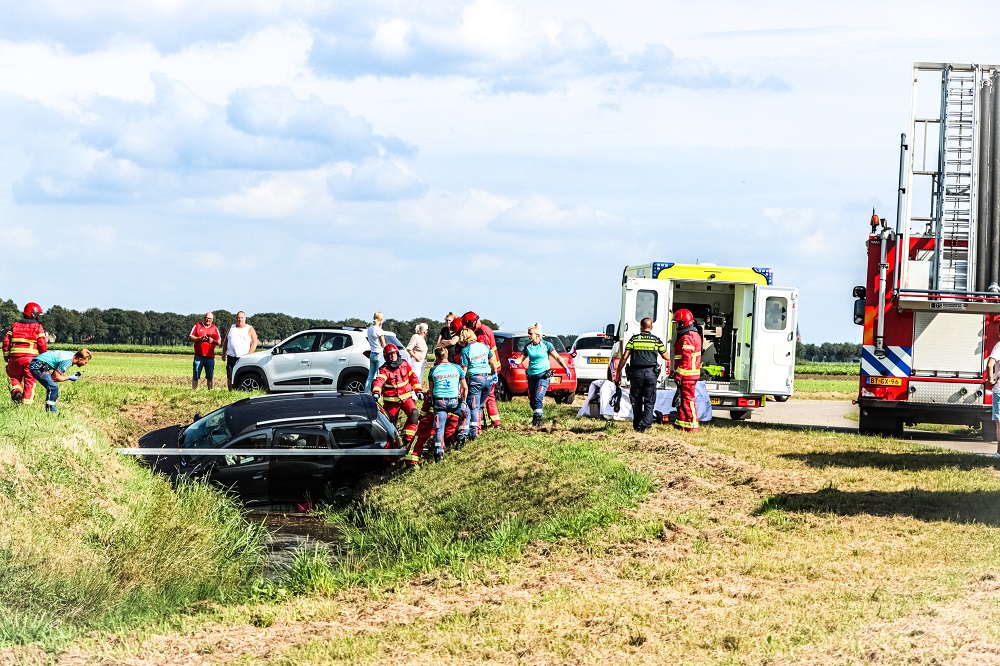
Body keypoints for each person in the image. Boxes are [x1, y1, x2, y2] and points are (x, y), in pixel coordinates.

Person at [614, 317, 670, 432]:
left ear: (640, 326)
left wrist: (618, 371)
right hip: (651, 374)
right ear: (651, 327)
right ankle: (646, 424)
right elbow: (666, 356)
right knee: (649, 400)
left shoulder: (634, 340)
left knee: (636, 400)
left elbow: (624, 357)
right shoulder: (656, 340)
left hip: (636, 374)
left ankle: (637, 425)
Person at [517, 324, 572, 428]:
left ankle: (538, 421)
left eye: (530, 334)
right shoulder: (528, 347)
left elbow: (557, 357)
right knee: (532, 400)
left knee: (538, 398)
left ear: (537, 334)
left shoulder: (547, 345)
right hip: (532, 376)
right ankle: (535, 417)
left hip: (543, 376)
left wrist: (566, 367)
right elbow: (520, 359)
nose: (529, 336)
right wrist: (514, 361)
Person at [423, 347, 470, 462]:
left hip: (439, 402)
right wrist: (463, 400)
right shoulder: (457, 368)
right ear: (447, 355)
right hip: (454, 401)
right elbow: (465, 387)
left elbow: (431, 390)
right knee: (466, 413)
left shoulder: (433, 370)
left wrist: (433, 402)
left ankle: (439, 452)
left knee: (439, 427)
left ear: (437, 357)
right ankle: (461, 436)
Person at [371, 343, 423, 448]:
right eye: (390, 354)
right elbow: (379, 382)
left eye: (394, 353)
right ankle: (390, 452)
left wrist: (418, 391)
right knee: (389, 426)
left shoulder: (405, 365)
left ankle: (408, 438)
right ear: (386, 357)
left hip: (406, 399)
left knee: (414, 414)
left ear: (398, 354)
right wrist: (376, 393)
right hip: (391, 403)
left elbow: (413, 378)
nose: (393, 356)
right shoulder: (384, 370)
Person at [3, 301, 48, 405]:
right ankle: (26, 405)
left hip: (14, 359)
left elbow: (6, 342)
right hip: (31, 360)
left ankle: (17, 392)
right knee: (30, 381)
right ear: (33, 314)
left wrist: (6, 357)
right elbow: (42, 343)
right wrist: (44, 358)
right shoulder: (37, 327)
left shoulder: (14, 326)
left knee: (14, 378)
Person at [458, 328, 499, 440]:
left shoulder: (466, 350)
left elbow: (464, 370)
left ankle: (473, 433)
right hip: (488, 379)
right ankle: (479, 428)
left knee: (474, 407)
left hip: (475, 380)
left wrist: (459, 384)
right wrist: (495, 373)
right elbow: (493, 360)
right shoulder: (484, 346)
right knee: (480, 406)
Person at [463, 311, 502, 428]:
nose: (466, 328)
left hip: (488, 368)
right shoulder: (484, 329)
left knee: (486, 396)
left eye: (468, 325)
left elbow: (480, 354)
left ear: (473, 323)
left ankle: (489, 423)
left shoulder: (481, 334)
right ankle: (491, 421)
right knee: (488, 395)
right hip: (491, 367)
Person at [29, 349, 91, 413]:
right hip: (38, 365)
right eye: (85, 362)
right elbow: (56, 378)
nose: (84, 364)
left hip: (39, 363)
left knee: (52, 386)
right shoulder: (67, 361)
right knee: (53, 387)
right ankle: (51, 413)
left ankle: (50, 410)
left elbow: (53, 378)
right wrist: (70, 377)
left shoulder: (70, 355)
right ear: (80, 359)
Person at [672, 309, 703, 432]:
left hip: (687, 375)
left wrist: (678, 374)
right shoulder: (692, 335)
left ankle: (693, 426)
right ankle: (682, 424)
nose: (676, 326)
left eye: (677, 323)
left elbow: (686, 358)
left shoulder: (687, 337)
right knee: (682, 400)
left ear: (683, 323)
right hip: (687, 375)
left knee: (688, 400)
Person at [221, 311, 259, 390]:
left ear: (245, 318)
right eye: (238, 318)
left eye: (241, 318)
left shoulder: (249, 329)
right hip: (231, 356)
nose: (240, 319)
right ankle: (230, 391)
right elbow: (226, 341)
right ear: (236, 318)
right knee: (230, 376)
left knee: (242, 375)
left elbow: (254, 342)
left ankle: (241, 389)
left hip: (243, 357)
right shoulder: (232, 328)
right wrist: (223, 353)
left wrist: (249, 354)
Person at [189, 312, 221, 390]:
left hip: (210, 356)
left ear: (212, 319)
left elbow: (219, 342)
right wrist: (200, 338)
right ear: (204, 318)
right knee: (196, 374)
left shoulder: (214, 328)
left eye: (209, 318)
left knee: (210, 376)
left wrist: (212, 341)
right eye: (206, 318)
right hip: (198, 356)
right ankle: (194, 390)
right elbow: (190, 338)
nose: (208, 320)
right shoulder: (197, 326)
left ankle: (210, 391)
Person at [986, 326, 1000, 456]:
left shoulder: (999, 346)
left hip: (999, 389)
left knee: (999, 423)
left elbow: (990, 364)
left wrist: (991, 380)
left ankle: (999, 452)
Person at [365, 312, 386, 392]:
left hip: (372, 353)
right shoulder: (379, 331)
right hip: (379, 354)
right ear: (380, 320)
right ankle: (377, 393)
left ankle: (366, 393)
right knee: (379, 376)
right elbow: (383, 344)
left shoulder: (370, 329)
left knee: (370, 377)